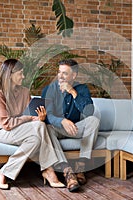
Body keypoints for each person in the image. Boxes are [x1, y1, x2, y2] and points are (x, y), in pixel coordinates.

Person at [0, 59, 65, 190]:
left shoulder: (25, 92)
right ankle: (49, 170)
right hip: (2, 131)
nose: (23, 77)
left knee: (36, 139)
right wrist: (30, 118)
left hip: (24, 130)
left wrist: (39, 118)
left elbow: (32, 118)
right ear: (10, 75)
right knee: (40, 127)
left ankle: (3, 172)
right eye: (20, 73)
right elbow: (7, 124)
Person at [42, 59, 100, 190]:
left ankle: (81, 167)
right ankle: (67, 172)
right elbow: (48, 116)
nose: (60, 76)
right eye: (59, 72)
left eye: (64, 73)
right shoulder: (49, 90)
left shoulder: (82, 88)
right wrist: (62, 121)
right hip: (57, 128)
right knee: (45, 128)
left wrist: (73, 92)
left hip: (75, 128)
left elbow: (89, 111)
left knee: (94, 121)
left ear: (73, 75)